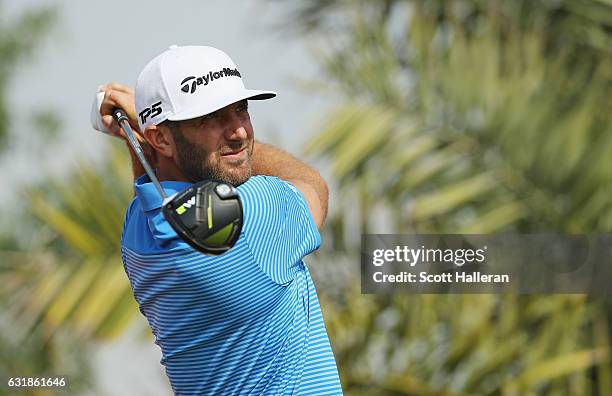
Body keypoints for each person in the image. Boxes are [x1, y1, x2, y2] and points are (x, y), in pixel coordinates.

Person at [97, 45, 343, 395]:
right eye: (211, 117)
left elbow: (157, 184)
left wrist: (141, 135)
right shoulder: (251, 218)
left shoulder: (137, 231)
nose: (239, 132)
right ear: (161, 138)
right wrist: (142, 127)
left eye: (240, 109)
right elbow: (312, 186)